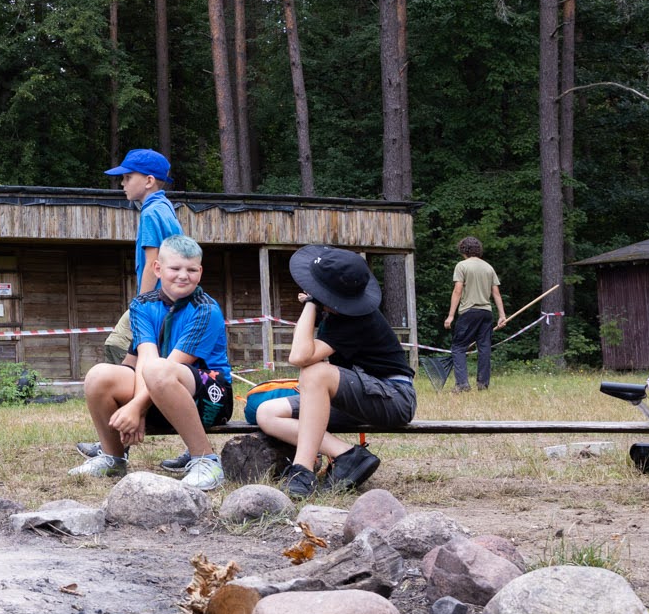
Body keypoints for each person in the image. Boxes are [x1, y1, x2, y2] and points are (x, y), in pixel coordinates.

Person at [254, 244, 417, 500]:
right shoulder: (337, 316)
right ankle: (348, 455)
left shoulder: (357, 320)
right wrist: (316, 306)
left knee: (315, 373)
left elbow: (299, 356)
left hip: (394, 397)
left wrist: (311, 304)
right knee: (267, 412)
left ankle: (302, 471)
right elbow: (302, 350)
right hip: (362, 397)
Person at [70, 235, 233, 488]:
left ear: (200, 272)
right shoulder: (142, 305)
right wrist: (138, 404)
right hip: (157, 389)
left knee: (160, 369)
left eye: (191, 270)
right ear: (158, 268)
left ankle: (206, 460)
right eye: (175, 268)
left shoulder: (206, 309)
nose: (183, 275)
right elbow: (144, 358)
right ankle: (113, 457)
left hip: (210, 397)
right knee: (99, 375)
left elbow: (169, 366)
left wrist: (137, 407)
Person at [106, 149, 181, 298]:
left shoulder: (150, 213)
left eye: (128, 177)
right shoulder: (165, 207)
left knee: (128, 319)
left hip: (158, 302)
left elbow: (152, 264)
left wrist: (141, 304)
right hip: (172, 298)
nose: (122, 183)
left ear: (149, 181)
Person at [442, 236, 506, 391]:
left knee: (458, 347)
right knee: (484, 348)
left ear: (463, 250)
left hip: (468, 312)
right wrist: (502, 315)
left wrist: (450, 316)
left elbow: (458, 290)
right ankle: (483, 384)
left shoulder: (462, 266)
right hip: (486, 313)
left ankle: (462, 384)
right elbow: (496, 293)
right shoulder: (488, 267)